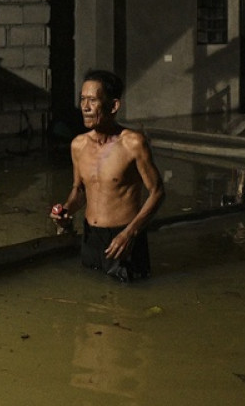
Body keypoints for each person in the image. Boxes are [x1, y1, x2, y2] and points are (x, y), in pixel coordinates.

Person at [51, 70, 165, 282]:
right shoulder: (78, 145)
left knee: (130, 298)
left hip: (124, 237)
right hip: (91, 238)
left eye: (93, 100)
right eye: (82, 99)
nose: (85, 107)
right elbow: (80, 190)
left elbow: (157, 192)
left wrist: (130, 233)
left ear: (113, 106)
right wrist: (66, 210)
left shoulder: (133, 143)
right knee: (91, 292)